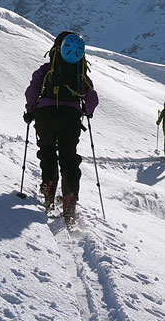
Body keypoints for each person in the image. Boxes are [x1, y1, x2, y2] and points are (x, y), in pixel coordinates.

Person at [24, 31, 98, 221]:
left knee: (47, 150)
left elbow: (32, 90)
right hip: (70, 117)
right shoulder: (80, 74)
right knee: (68, 155)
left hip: (45, 114)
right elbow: (92, 98)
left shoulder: (46, 69)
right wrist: (88, 111)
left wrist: (30, 111)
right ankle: (70, 194)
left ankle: (49, 185)